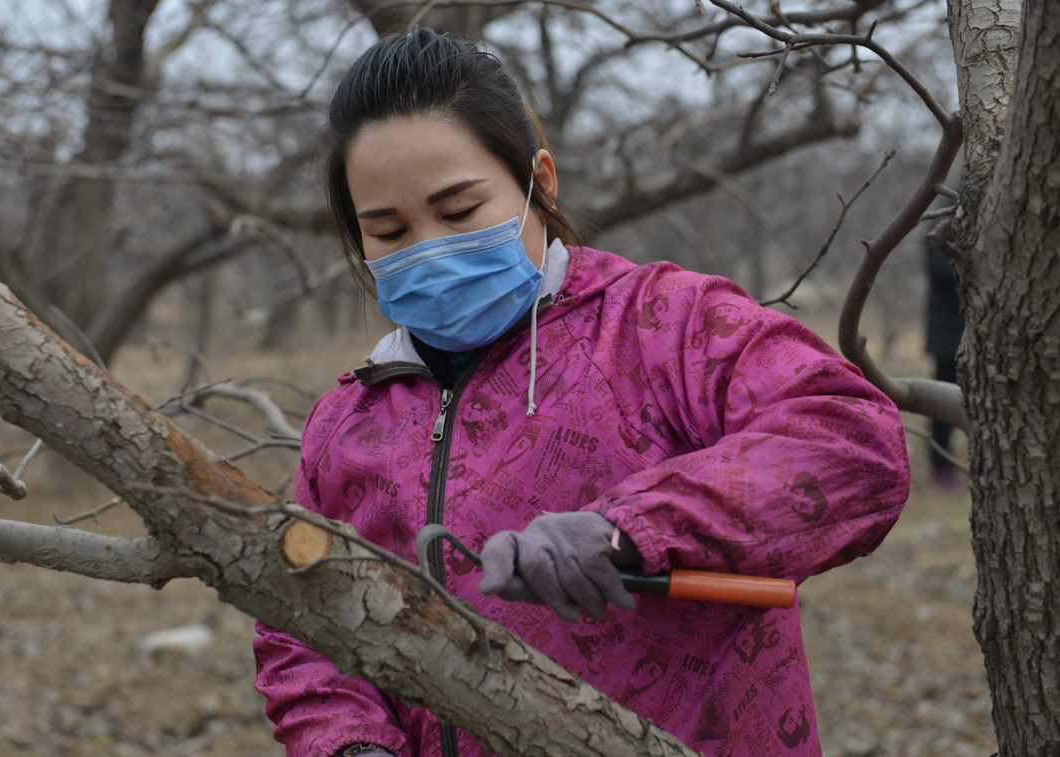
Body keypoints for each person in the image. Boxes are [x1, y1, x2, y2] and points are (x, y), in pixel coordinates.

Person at [253, 29, 910, 757]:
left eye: (460, 211)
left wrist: (632, 530)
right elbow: (303, 626)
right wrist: (349, 745)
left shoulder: (666, 325)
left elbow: (854, 441)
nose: (430, 247)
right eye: (389, 230)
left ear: (541, 179)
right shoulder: (346, 423)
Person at [924, 234, 964, 488]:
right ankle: (941, 466)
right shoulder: (939, 226)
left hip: (975, 333)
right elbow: (938, 270)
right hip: (948, 335)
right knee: (942, 402)